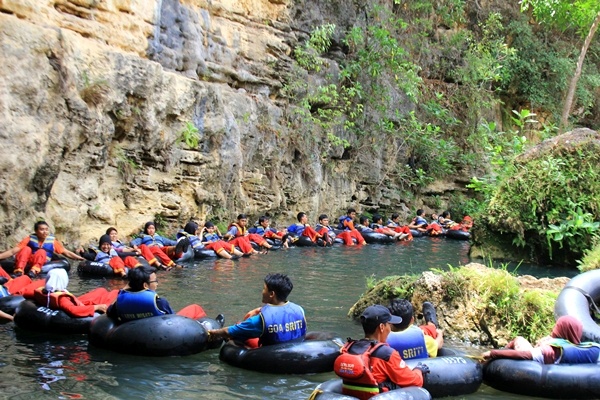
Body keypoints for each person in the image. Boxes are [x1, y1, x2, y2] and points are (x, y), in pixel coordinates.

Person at [334, 305, 428, 398]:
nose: (390, 329)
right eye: (389, 324)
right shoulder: (387, 354)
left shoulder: (348, 349)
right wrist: (419, 370)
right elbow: (415, 382)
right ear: (382, 327)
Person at [207, 273, 306, 346]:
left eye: (264, 289)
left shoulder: (260, 320)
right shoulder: (299, 309)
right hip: (295, 350)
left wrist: (212, 332)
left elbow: (228, 332)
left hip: (272, 356)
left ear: (272, 294)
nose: (262, 292)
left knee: (236, 334)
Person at [481, 315, 600, 364]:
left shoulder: (552, 350)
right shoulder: (587, 349)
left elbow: (525, 355)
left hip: (537, 359)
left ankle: (500, 354)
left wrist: (493, 353)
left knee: (519, 339)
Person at [106, 267, 206, 322]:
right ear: (145, 285)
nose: (157, 283)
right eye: (155, 281)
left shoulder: (119, 303)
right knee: (195, 308)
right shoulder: (159, 302)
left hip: (132, 334)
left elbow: (109, 313)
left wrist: (123, 290)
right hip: (163, 333)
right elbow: (174, 320)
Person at [0, 221, 85, 278]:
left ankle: (33, 271)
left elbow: (66, 252)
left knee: (41, 251)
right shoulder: (29, 238)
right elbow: (13, 251)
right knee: (26, 248)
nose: (45, 232)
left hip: (42, 262)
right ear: (36, 231)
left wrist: (79, 258)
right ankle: (19, 270)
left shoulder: (52, 241)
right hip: (28, 261)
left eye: (46, 229)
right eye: (42, 229)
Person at [23, 269, 117, 318]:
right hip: (81, 308)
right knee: (114, 293)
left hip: (75, 302)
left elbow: (26, 294)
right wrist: (97, 307)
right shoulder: (61, 298)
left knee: (101, 290)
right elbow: (73, 310)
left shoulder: (43, 291)